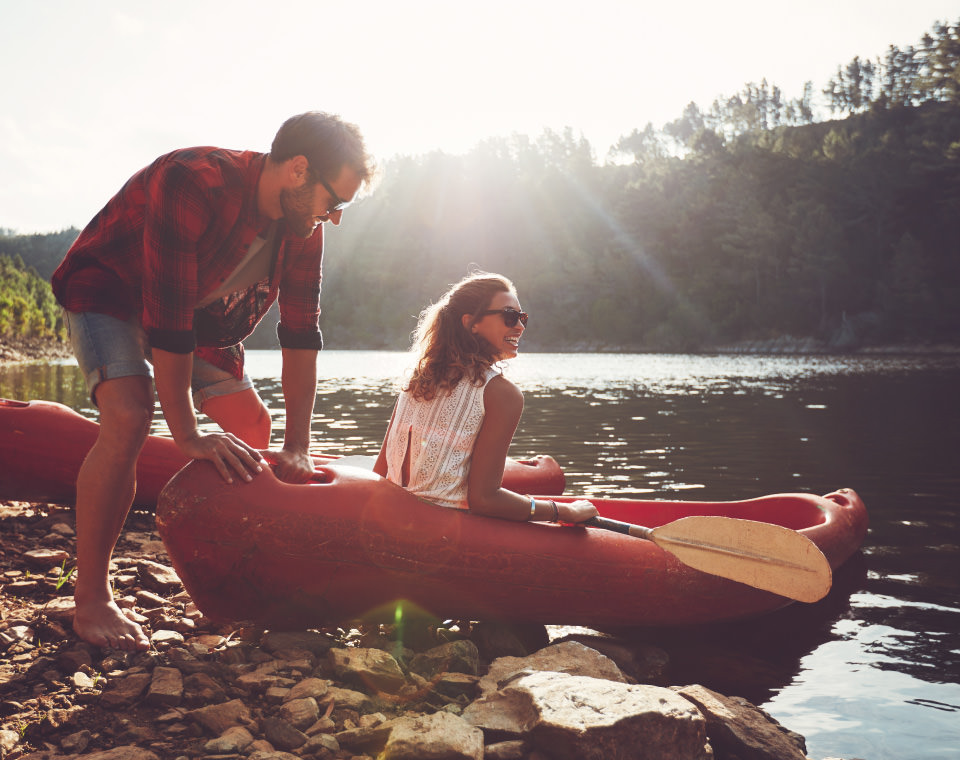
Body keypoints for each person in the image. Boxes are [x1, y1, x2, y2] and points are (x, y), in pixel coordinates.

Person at [51, 111, 376, 651]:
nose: (334, 217)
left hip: (198, 313)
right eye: (333, 202)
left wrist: (298, 444)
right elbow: (166, 318)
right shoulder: (195, 180)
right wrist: (188, 435)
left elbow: (300, 334)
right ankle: (92, 600)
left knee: (254, 423)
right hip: (109, 290)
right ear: (298, 170)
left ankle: (238, 573)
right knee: (131, 416)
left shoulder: (303, 229)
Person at [373, 272, 598, 524]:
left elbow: (379, 474)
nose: (520, 326)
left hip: (391, 516)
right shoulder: (502, 394)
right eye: (510, 316)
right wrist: (562, 511)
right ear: (471, 323)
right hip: (444, 531)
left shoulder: (419, 379)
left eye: (522, 317)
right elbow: (485, 500)